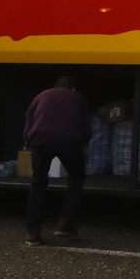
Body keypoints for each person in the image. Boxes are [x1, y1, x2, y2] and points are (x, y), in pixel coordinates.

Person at [22, 76, 92, 246]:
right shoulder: (78, 98)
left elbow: (29, 121)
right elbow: (86, 127)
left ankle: (34, 233)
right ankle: (64, 223)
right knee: (76, 177)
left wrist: (29, 142)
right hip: (70, 142)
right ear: (73, 89)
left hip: (40, 141)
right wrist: (81, 142)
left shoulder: (41, 96)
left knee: (38, 183)